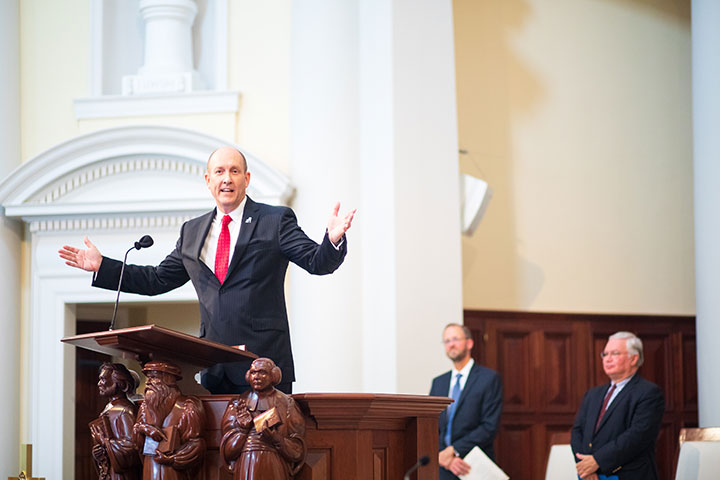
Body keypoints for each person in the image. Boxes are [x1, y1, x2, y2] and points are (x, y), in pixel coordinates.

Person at [59, 146, 356, 394]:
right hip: (213, 370)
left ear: (246, 178)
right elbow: (156, 280)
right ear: (208, 180)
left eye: (234, 171)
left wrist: (332, 240)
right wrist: (103, 266)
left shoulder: (274, 220)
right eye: (219, 171)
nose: (226, 178)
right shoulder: (193, 231)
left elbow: (317, 262)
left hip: (264, 369)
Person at [571, 331, 665, 480]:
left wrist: (597, 461)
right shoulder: (592, 394)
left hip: (628, 475)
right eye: (605, 354)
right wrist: (586, 468)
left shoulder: (649, 393)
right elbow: (577, 432)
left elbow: (637, 437)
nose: (607, 359)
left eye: (614, 354)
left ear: (634, 358)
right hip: (591, 476)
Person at [429, 323, 503, 480]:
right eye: (447, 341)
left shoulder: (489, 379)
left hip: (473, 465)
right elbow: (430, 424)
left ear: (469, 343)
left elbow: (489, 427)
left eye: (455, 339)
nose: (451, 344)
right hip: (442, 467)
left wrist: (454, 450)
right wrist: (443, 457)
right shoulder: (439, 382)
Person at [220, 358, 306, 479]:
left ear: (273, 375)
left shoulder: (287, 404)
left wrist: (277, 439)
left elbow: (297, 450)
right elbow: (228, 452)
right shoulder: (237, 403)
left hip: (274, 462)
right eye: (253, 372)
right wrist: (243, 430)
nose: (256, 376)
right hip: (246, 462)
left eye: (262, 372)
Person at [133, 361, 206, 480]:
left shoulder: (188, 406)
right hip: (150, 468)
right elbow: (137, 444)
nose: (148, 382)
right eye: (148, 378)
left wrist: (173, 459)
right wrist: (143, 429)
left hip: (174, 472)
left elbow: (197, 445)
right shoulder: (145, 407)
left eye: (154, 377)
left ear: (169, 380)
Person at [90, 362, 141, 480]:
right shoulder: (109, 408)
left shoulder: (124, 409)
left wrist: (105, 443)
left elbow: (133, 448)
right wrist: (98, 453)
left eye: (103, 379)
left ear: (119, 383)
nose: (99, 384)